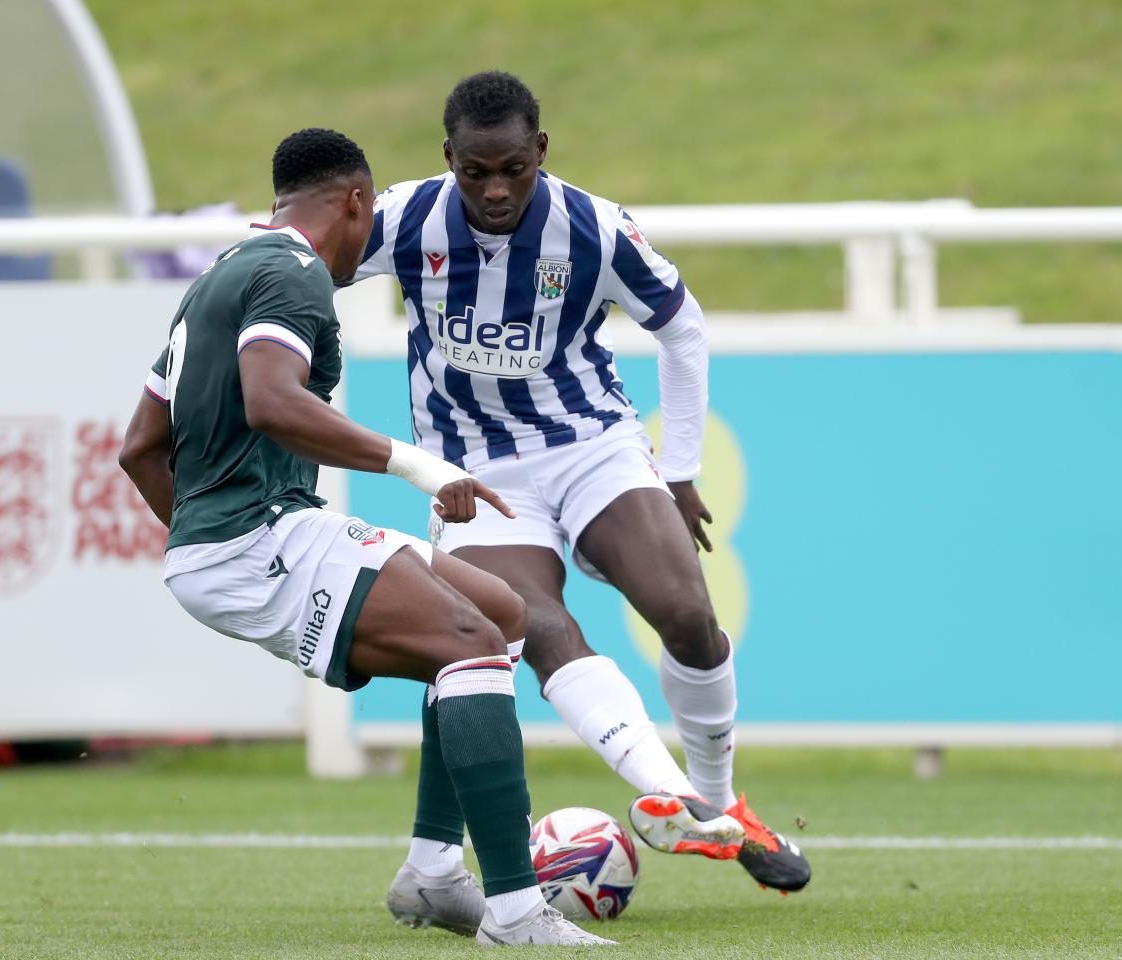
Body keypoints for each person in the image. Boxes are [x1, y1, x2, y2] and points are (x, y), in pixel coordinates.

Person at [118, 127, 613, 947]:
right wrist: (415, 467)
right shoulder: (294, 274)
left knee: (498, 610)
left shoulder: (222, 275)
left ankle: (431, 873)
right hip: (259, 535)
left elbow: (139, 447)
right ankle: (518, 913)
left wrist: (201, 541)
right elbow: (272, 402)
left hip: (254, 532)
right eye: (369, 212)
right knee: (469, 645)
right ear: (355, 201)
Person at [350, 72, 811, 902]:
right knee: (534, 624)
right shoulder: (404, 217)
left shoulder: (594, 228)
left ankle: (717, 796)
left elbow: (683, 329)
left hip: (589, 444)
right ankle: (685, 808)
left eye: (514, 170)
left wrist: (679, 471)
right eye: (475, 172)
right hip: (478, 470)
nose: (495, 190)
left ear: (542, 153)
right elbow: (311, 255)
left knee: (689, 616)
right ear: (447, 158)